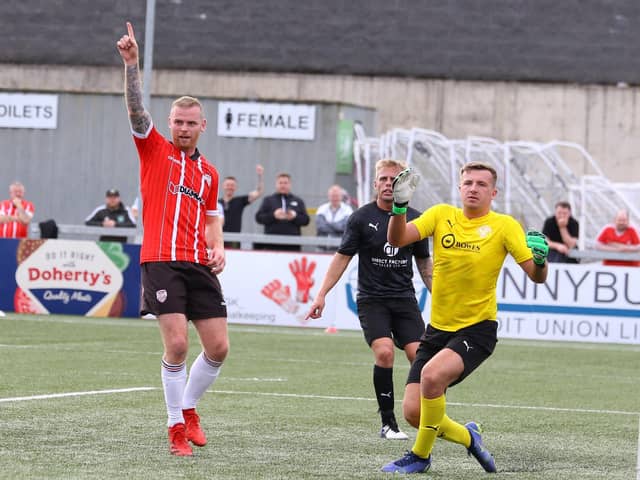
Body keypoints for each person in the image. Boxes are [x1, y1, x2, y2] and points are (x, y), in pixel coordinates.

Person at [380, 162, 549, 474]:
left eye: (481, 184)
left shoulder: (505, 226)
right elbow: (397, 239)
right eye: (468, 182)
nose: (473, 188)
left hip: (478, 329)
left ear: (493, 192)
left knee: (431, 377)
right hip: (437, 330)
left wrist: (541, 261)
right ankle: (469, 437)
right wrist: (399, 207)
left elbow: (537, 277)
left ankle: (420, 455)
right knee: (414, 413)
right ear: (459, 188)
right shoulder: (441, 214)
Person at [117, 22, 228, 457]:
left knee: (218, 347)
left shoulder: (209, 173)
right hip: (160, 259)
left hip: (198, 262)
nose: (183, 128)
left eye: (190, 123)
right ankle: (175, 427)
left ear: (203, 125)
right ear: (169, 124)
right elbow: (135, 110)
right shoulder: (154, 150)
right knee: (178, 344)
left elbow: (213, 218)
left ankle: (190, 406)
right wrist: (132, 66)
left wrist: (218, 246)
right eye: (177, 122)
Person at [305, 159, 433, 440]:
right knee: (385, 352)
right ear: (375, 184)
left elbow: (424, 263)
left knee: (421, 356)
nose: (389, 184)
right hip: (372, 300)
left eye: (394, 179)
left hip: (404, 300)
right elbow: (342, 257)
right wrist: (321, 294)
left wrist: (440, 292)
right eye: (384, 179)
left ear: (403, 184)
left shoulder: (417, 218)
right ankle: (388, 423)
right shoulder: (361, 218)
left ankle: (430, 418)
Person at [254, 172, 310, 251]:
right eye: (280, 183)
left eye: (285, 183)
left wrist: (294, 217)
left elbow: (306, 220)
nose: (283, 185)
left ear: (290, 184)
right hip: (271, 244)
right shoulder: (268, 200)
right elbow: (258, 218)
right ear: (276, 184)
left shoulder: (298, 201)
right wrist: (273, 216)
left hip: (292, 245)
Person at [219, 164, 264, 248]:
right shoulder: (217, 203)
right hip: (218, 239)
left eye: (232, 185)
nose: (230, 187)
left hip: (234, 239)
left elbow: (259, 192)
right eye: (227, 185)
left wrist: (260, 176)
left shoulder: (240, 201)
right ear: (223, 186)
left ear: (235, 187)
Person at [315, 184, 354, 251]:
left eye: (337, 196)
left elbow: (345, 227)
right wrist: (337, 227)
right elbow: (320, 227)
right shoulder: (321, 209)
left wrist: (328, 224)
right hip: (322, 248)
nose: (335, 198)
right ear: (329, 196)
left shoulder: (348, 210)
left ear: (341, 197)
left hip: (341, 248)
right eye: (332, 196)